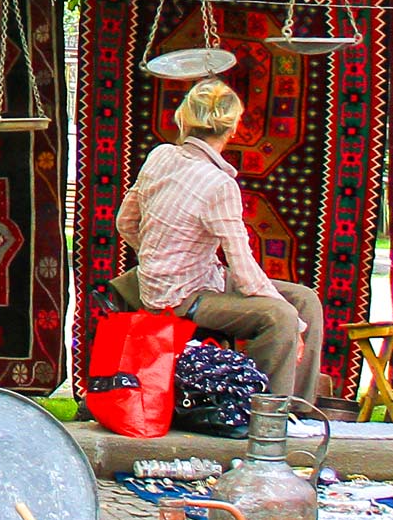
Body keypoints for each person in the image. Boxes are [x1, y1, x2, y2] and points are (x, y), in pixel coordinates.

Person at [109, 76, 324, 399]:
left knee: (303, 300)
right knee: (283, 315)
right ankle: (265, 410)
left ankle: (296, 406)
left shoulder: (160, 155)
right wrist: (296, 323)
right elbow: (246, 273)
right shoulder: (219, 185)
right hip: (182, 298)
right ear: (233, 128)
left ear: (185, 117)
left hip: (182, 280)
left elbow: (125, 223)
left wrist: (156, 256)